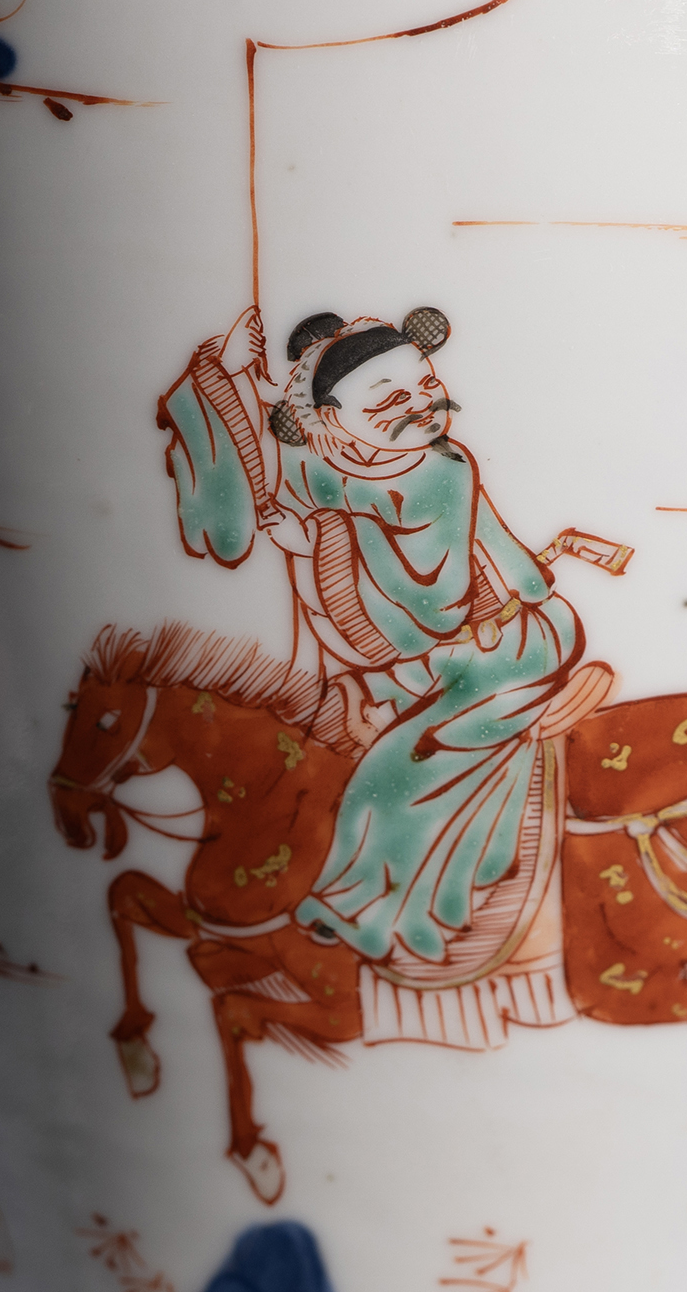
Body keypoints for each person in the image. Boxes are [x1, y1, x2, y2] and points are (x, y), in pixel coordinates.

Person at [160, 308, 582, 966]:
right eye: (388, 400)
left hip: (498, 648)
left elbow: (438, 592)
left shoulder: (442, 469)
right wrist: (231, 374)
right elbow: (266, 474)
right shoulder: (340, 468)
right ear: (331, 420)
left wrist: (314, 533)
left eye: (426, 385)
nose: (420, 405)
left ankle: (392, 910)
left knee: (396, 767)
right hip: (440, 652)